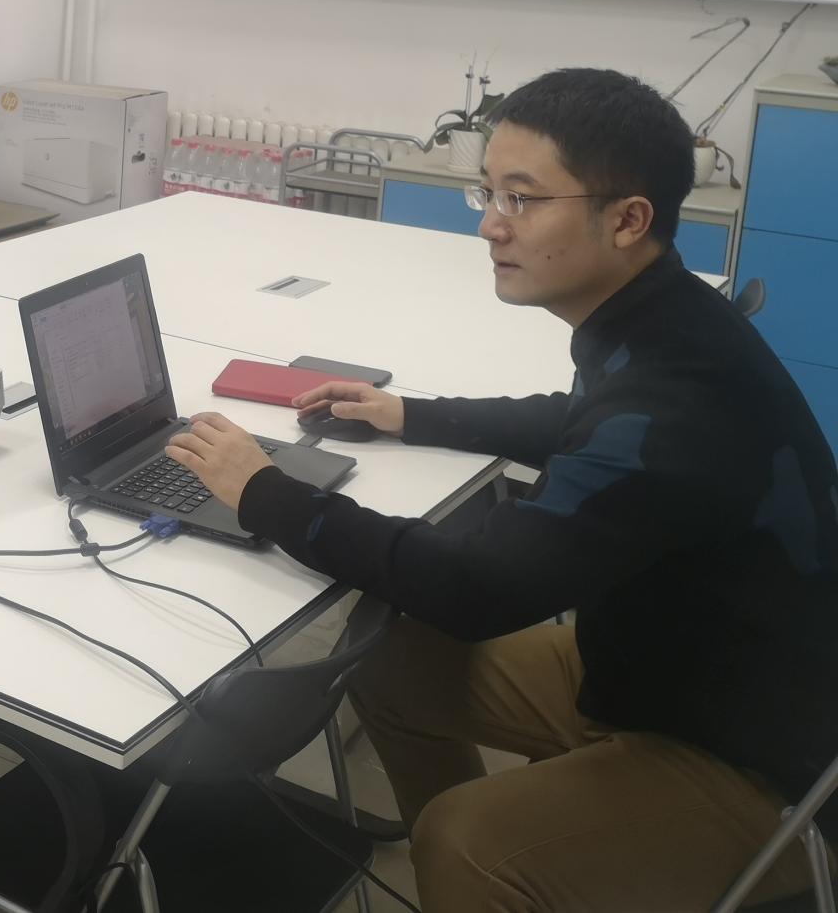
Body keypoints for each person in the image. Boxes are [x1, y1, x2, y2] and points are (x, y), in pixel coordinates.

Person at [162, 68, 838, 912]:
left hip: (757, 760)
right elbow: (581, 419)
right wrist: (409, 414)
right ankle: (505, 878)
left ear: (628, 220)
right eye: (489, 192)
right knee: (391, 663)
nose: (489, 223)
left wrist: (264, 492)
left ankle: (487, 871)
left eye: (521, 198)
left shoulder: (673, 402)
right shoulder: (664, 318)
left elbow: (474, 589)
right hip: (661, 667)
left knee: (467, 841)